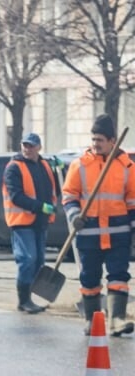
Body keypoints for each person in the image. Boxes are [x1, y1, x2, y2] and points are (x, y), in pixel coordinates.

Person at [62, 114, 135, 334]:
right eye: (93, 139)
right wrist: (74, 215)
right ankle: (93, 321)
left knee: (118, 276)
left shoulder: (127, 167)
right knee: (89, 278)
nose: (95, 144)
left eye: (100, 139)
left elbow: (133, 200)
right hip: (89, 233)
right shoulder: (80, 165)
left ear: (112, 141)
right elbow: (69, 195)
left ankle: (117, 320)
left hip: (118, 232)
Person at [2, 131, 57, 314]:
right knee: (28, 259)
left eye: (31, 145)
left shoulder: (44, 165)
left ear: (39, 147)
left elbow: (51, 188)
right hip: (22, 221)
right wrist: (40, 206)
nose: (27, 148)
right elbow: (16, 196)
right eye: (25, 145)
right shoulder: (14, 167)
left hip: (40, 222)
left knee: (39, 261)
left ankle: (30, 298)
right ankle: (23, 300)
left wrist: (59, 168)